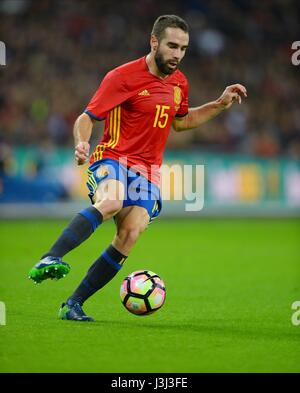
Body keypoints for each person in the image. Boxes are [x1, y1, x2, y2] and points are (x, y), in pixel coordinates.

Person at [28, 15, 247, 321]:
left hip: (148, 171)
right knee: (112, 201)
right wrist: (81, 143)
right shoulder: (122, 77)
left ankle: (73, 304)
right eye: (172, 46)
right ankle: (49, 257)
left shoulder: (179, 82)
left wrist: (219, 105)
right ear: (154, 42)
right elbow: (87, 117)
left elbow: (181, 122)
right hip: (113, 157)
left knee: (130, 233)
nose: (177, 54)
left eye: (183, 48)